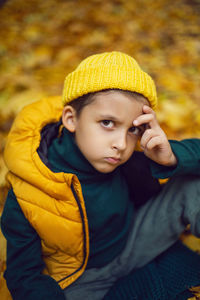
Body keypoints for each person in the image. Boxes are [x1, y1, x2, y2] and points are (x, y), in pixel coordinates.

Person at [1, 51, 200, 300]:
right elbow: (23, 276)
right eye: (107, 122)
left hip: (132, 242)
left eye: (133, 129)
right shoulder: (30, 189)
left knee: (192, 183)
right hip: (79, 281)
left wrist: (170, 157)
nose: (121, 143)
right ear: (71, 119)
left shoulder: (125, 157)